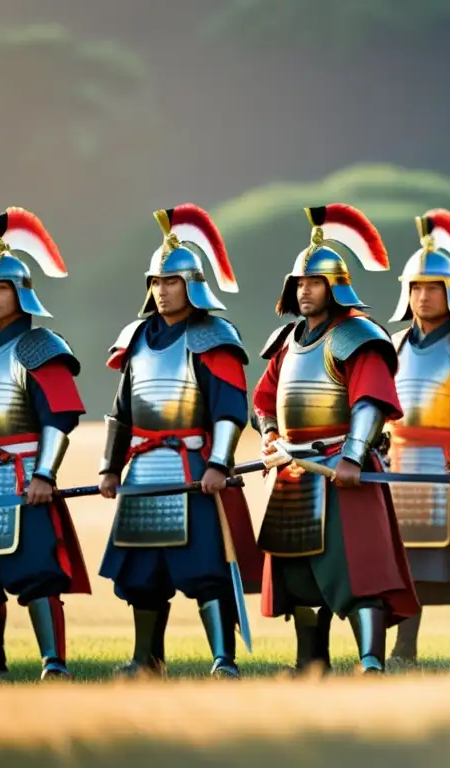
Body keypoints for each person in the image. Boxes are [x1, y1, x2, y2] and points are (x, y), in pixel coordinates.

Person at [254, 203, 419, 674]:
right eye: (299, 283)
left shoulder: (356, 336)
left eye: (314, 282)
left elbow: (369, 402)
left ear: (335, 285)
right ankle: (312, 664)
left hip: (342, 471)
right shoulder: (288, 340)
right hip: (292, 472)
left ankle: (370, 662)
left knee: (358, 570)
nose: (304, 291)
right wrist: (269, 436)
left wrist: (353, 455)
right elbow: (264, 400)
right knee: (299, 574)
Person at [98, 204, 259, 679]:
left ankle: (223, 660)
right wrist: (110, 467)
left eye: (171, 281)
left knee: (206, 570)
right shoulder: (136, 338)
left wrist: (218, 463)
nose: (162, 290)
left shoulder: (214, 336)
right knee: (142, 575)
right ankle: (146, 659)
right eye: (156, 281)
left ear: (192, 284)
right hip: (144, 473)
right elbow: (122, 412)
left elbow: (230, 409)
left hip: (193, 471)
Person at [0, 208, 90, 681]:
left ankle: (53, 663)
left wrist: (44, 474)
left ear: (22, 294)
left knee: (36, 573)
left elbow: (59, 419)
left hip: (23, 477)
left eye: (2, 289)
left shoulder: (39, 347)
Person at [384, 209, 450, 666]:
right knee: (408, 564)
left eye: (432, 287)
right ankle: (404, 648)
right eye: (416, 287)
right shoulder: (393, 345)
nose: (423, 296)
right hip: (404, 467)